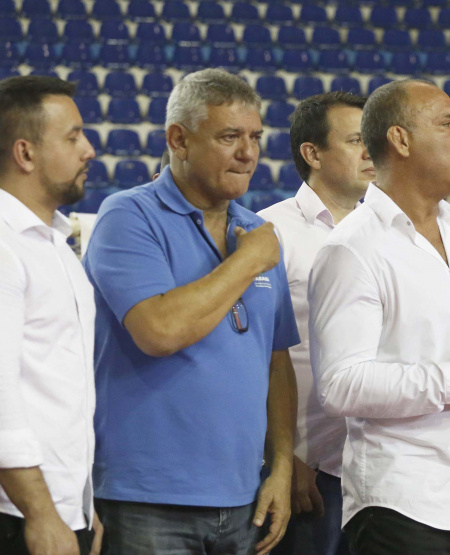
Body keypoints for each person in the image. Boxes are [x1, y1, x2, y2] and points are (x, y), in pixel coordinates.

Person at [308, 79, 450, 555]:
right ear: (400, 140)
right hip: (403, 506)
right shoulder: (352, 249)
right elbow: (340, 386)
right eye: (446, 123)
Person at [82, 69, 299, 555]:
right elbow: (158, 331)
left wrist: (281, 467)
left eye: (255, 137)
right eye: (229, 137)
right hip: (146, 500)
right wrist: (247, 262)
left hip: (245, 497)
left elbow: (276, 361)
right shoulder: (128, 216)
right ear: (178, 140)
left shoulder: (256, 232)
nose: (248, 154)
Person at [258, 91, 374, 555]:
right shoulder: (270, 232)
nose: (371, 152)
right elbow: (261, 355)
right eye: (355, 140)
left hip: (376, 467)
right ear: (313, 154)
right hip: (308, 469)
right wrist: (284, 458)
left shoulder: (388, 232)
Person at [0, 75, 101, 555]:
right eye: (73, 136)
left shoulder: (54, 245)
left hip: (61, 508)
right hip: (17, 514)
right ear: (25, 154)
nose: (89, 150)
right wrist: (42, 514)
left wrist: (83, 504)